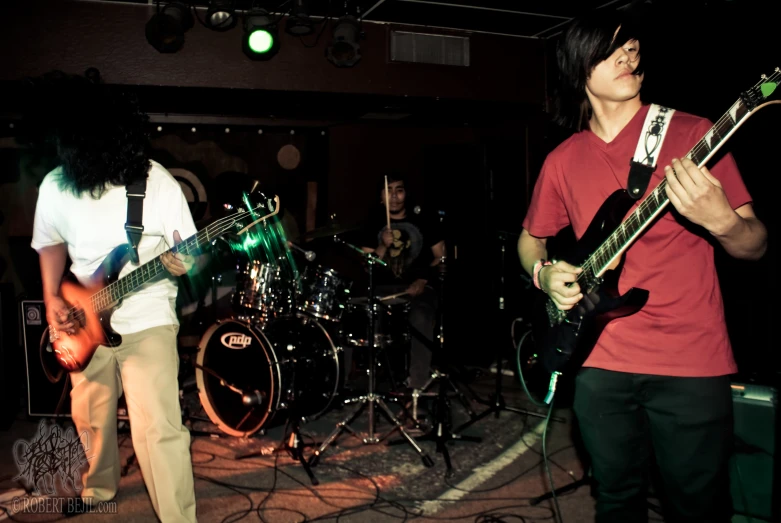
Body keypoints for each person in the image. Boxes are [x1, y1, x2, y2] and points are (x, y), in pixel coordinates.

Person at [517, 10, 767, 523]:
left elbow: (754, 245)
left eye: (632, 47)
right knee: (616, 500)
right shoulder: (562, 160)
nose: (629, 56)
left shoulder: (695, 133)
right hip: (599, 358)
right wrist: (544, 275)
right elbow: (530, 239)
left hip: (690, 360)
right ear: (578, 70)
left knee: (698, 506)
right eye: (612, 49)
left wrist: (722, 222)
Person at [26, 71, 198, 522]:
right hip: (83, 319)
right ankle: (98, 488)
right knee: (91, 417)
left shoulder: (154, 181)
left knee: (159, 428)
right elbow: (49, 243)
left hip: (147, 317)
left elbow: (191, 250)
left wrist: (187, 261)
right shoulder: (55, 184)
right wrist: (51, 299)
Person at [359, 173, 446, 393]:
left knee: (421, 315)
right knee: (361, 312)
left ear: (406, 194)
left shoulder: (424, 219)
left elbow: (441, 256)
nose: (395, 196)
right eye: (388, 190)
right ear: (381, 197)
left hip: (419, 287)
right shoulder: (372, 222)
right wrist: (382, 246)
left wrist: (424, 279)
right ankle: (364, 383)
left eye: (399, 190)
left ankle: (417, 386)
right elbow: (367, 265)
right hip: (383, 289)